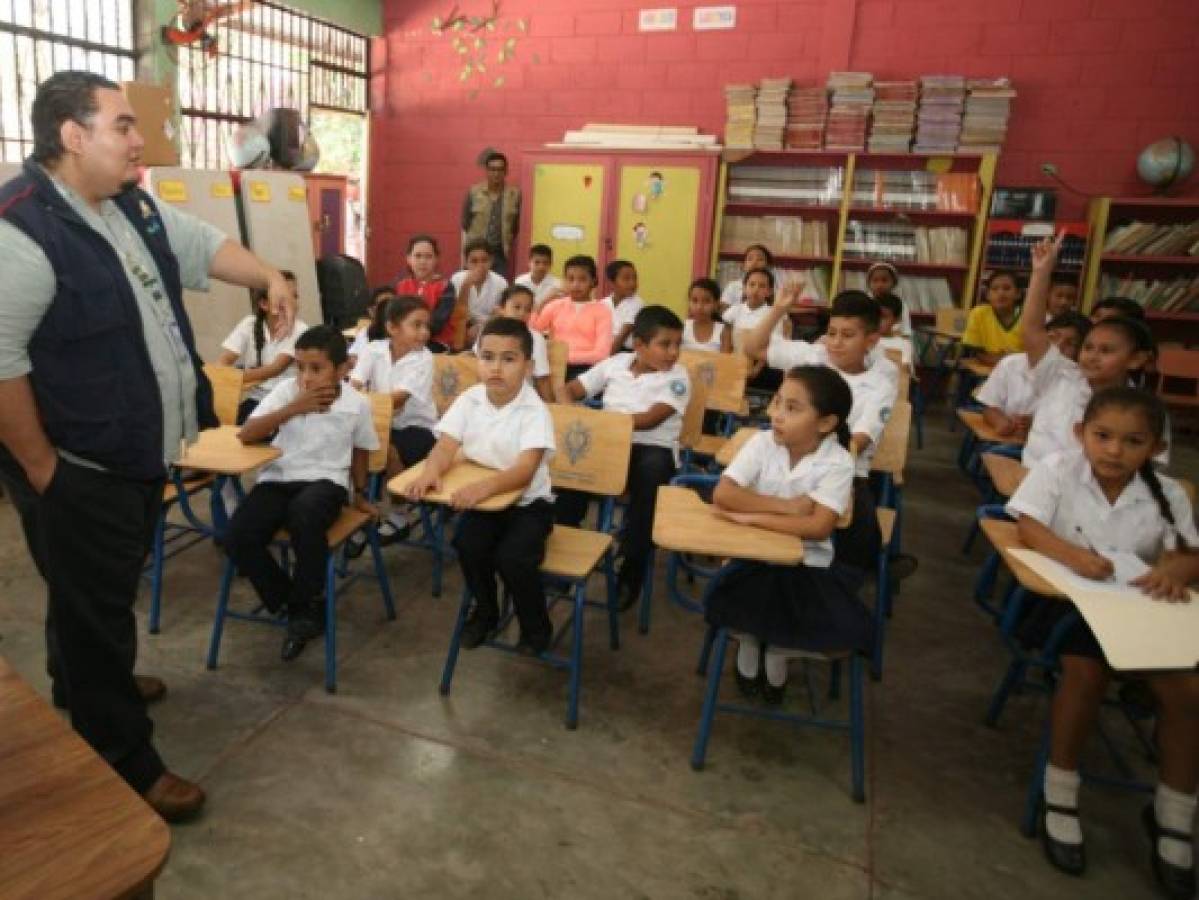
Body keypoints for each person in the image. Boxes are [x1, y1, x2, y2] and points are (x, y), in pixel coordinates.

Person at [0, 71, 295, 821]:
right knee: (99, 608)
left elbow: (199, 245)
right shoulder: (22, 231)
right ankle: (124, 759)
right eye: (123, 125)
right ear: (73, 136)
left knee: (92, 590)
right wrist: (44, 470)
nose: (139, 140)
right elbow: (0, 365)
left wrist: (265, 272)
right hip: (78, 464)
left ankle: (78, 682)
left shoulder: (126, 203)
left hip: (138, 451)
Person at [1006, 387, 1199, 895]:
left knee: (1185, 694)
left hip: (1135, 613)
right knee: (1084, 674)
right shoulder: (1058, 470)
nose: (1114, 451)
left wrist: (1176, 569)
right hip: (1063, 605)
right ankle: (1062, 792)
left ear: (1154, 447)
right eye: (1103, 436)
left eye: (1132, 441)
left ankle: (1174, 816)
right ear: (1081, 435)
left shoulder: (1168, 492)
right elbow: (1026, 526)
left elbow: (1187, 553)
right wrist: (1073, 555)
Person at [705, 365, 867, 704]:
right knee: (741, 595)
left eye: (792, 408)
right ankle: (751, 644)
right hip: (752, 558)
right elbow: (723, 494)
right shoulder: (762, 443)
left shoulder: (837, 462)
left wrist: (750, 518)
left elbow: (818, 527)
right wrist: (788, 508)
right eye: (777, 403)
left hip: (808, 567)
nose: (776, 414)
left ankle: (777, 650)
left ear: (825, 423)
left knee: (831, 624)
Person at [224, 326, 379, 662]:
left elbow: (361, 450)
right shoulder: (285, 392)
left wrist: (362, 493)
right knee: (237, 535)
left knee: (304, 516)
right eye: (300, 367)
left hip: (326, 482)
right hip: (278, 477)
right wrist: (293, 408)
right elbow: (247, 434)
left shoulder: (357, 404)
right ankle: (297, 604)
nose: (306, 377)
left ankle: (302, 606)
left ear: (342, 369)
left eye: (317, 368)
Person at [406, 317, 556, 654]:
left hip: (528, 506)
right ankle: (485, 611)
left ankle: (536, 626)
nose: (496, 368)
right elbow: (445, 446)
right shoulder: (471, 398)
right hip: (486, 503)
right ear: (477, 361)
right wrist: (431, 470)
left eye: (509, 359)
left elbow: (524, 470)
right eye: (487, 357)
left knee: (514, 558)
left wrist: (483, 488)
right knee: (467, 544)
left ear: (528, 366)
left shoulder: (534, 410)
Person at [742, 289, 894, 572]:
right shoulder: (811, 356)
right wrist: (778, 310)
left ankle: (843, 579)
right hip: (785, 457)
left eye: (847, 335)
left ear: (871, 341)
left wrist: (821, 461)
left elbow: (858, 441)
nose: (835, 343)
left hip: (845, 470)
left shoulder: (880, 384)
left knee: (858, 523)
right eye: (832, 332)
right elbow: (752, 348)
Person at [554, 306, 690, 610]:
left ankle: (632, 568)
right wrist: (570, 410)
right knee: (571, 470)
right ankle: (563, 553)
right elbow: (569, 388)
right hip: (608, 441)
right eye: (665, 344)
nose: (673, 352)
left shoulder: (678, 378)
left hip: (650, 447)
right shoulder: (615, 364)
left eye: (677, 344)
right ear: (639, 345)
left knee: (651, 477)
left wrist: (603, 421)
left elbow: (651, 419)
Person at [1021, 236, 1161, 468]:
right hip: (1035, 485)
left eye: (1106, 350)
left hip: (1094, 496)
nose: (1092, 356)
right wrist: (1041, 273)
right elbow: (1032, 330)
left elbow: (1146, 470)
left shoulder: (1146, 410)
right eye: (1088, 347)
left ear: (1136, 359)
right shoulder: (1061, 375)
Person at [351, 296, 437, 476]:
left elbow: (398, 401)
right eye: (417, 325)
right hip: (379, 421)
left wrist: (362, 404)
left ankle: (394, 474)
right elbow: (354, 386)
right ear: (392, 328)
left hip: (415, 428)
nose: (424, 332)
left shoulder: (424, 358)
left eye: (426, 326)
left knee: (382, 443)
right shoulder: (373, 349)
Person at [978, 312, 1090, 440]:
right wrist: (1002, 422)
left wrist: (1035, 424)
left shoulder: (1077, 382)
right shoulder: (1011, 364)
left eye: (1071, 344)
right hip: (1006, 438)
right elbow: (989, 407)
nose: (1058, 346)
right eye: (1054, 337)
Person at [217, 270, 306, 423]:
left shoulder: (300, 329)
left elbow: (275, 369)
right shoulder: (249, 323)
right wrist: (219, 376)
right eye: (285, 298)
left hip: (285, 403)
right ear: (264, 304)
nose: (294, 303)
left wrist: (233, 378)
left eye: (295, 297)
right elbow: (223, 362)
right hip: (255, 400)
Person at [529, 254, 612, 381]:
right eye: (570, 279)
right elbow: (533, 331)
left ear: (593, 281)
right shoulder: (555, 305)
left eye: (582, 279)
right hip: (554, 366)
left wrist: (564, 357)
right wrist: (542, 303)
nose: (575, 284)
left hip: (586, 369)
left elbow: (602, 353)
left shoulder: (602, 310)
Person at [471, 285, 553, 402]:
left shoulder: (536, 338)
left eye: (528, 309)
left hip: (520, 397)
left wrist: (552, 406)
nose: (522, 313)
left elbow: (542, 379)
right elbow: (477, 361)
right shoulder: (488, 331)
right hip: (488, 393)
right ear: (502, 309)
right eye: (517, 307)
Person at [461, 149, 520, 278]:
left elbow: (515, 226)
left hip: (499, 254)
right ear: (486, 171)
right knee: (473, 285)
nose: (496, 173)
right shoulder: (474, 192)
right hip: (476, 251)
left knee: (499, 290)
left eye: (500, 169)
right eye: (492, 169)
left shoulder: (514, 195)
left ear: (506, 172)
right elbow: (465, 222)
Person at [395, 234, 455, 350]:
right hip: (404, 340)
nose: (423, 261)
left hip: (435, 342)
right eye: (417, 256)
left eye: (428, 257)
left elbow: (437, 324)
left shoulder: (446, 287)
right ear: (408, 259)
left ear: (436, 259)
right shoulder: (400, 286)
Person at [447, 237, 508, 347]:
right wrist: (466, 285)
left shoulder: (501, 283)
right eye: (474, 261)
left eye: (484, 260)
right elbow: (455, 314)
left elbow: (502, 313)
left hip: (490, 328)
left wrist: (484, 327)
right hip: (463, 326)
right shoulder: (457, 279)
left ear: (491, 261)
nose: (480, 266)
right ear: (466, 262)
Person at [962, 269, 1024, 366]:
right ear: (987, 295)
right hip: (985, 369)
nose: (1000, 293)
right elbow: (974, 352)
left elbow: (1031, 356)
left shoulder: (1029, 316)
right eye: (994, 289)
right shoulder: (979, 313)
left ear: (1018, 294)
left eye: (1007, 288)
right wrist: (1006, 359)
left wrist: (1001, 359)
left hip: (1019, 371)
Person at [601, 259, 644, 355]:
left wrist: (606, 359)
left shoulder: (637, 303)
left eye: (635, 278)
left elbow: (623, 335)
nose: (632, 283)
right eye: (626, 279)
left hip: (624, 351)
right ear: (611, 283)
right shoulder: (603, 304)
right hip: (604, 348)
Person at [348, 286, 397, 364]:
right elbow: (351, 356)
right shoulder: (364, 333)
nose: (388, 309)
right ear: (371, 310)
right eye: (383, 305)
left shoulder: (403, 335)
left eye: (392, 304)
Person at [683, 277, 731, 353]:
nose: (699, 307)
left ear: (716, 304)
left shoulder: (723, 331)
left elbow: (725, 361)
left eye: (706, 301)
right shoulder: (683, 327)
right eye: (694, 300)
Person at [865, 260, 913, 336]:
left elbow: (906, 332)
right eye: (875, 280)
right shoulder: (864, 303)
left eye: (884, 280)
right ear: (869, 283)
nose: (879, 285)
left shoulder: (901, 305)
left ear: (893, 283)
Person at [720, 244, 776, 308]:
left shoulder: (774, 287)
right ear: (743, 265)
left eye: (760, 259)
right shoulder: (733, 286)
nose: (754, 262)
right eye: (750, 259)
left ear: (768, 266)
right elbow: (723, 309)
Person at [516, 243, 560, 307]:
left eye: (545, 263)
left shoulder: (557, 285)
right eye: (537, 262)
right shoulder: (520, 282)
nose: (541, 267)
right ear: (529, 262)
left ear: (551, 264)